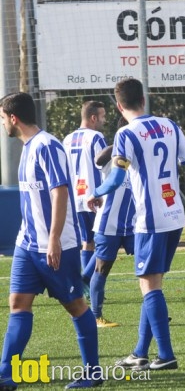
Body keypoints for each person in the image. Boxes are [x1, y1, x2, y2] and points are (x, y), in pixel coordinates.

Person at [86, 78, 185, 371]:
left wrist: (96, 192)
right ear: (144, 99)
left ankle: (166, 354)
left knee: (149, 285)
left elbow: (117, 179)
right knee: (152, 284)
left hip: (150, 220)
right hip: (174, 216)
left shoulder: (125, 134)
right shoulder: (169, 125)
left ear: (119, 106)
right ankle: (140, 353)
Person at [0, 92, 101, 389]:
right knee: (18, 303)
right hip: (27, 244)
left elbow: (60, 192)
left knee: (76, 306)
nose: (2, 123)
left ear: (13, 118)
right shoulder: (27, 148)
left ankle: (92, 373)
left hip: (56, 245)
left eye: (2, 117)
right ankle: (5, 373)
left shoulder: (47, 145)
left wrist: (54, 239)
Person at [89, 116, 135, 328]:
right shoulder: (113, 153)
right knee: (102, 268)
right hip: (109, 222)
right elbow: (98, 159)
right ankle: (95, 315)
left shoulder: (142, 153)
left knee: (151, 266)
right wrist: (119, 142)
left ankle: (154, 311)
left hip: (135, 223)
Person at [63, 101, 108, 296]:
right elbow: (105, 166)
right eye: (103, 116)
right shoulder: (96, 137)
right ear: (93, 118)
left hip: (76, 197)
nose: (104, 120)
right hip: (94, 196)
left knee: (87, 241)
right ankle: (87, 277)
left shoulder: (67, 139)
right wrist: (103, 193)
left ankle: (87, 288)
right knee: (107, 241)